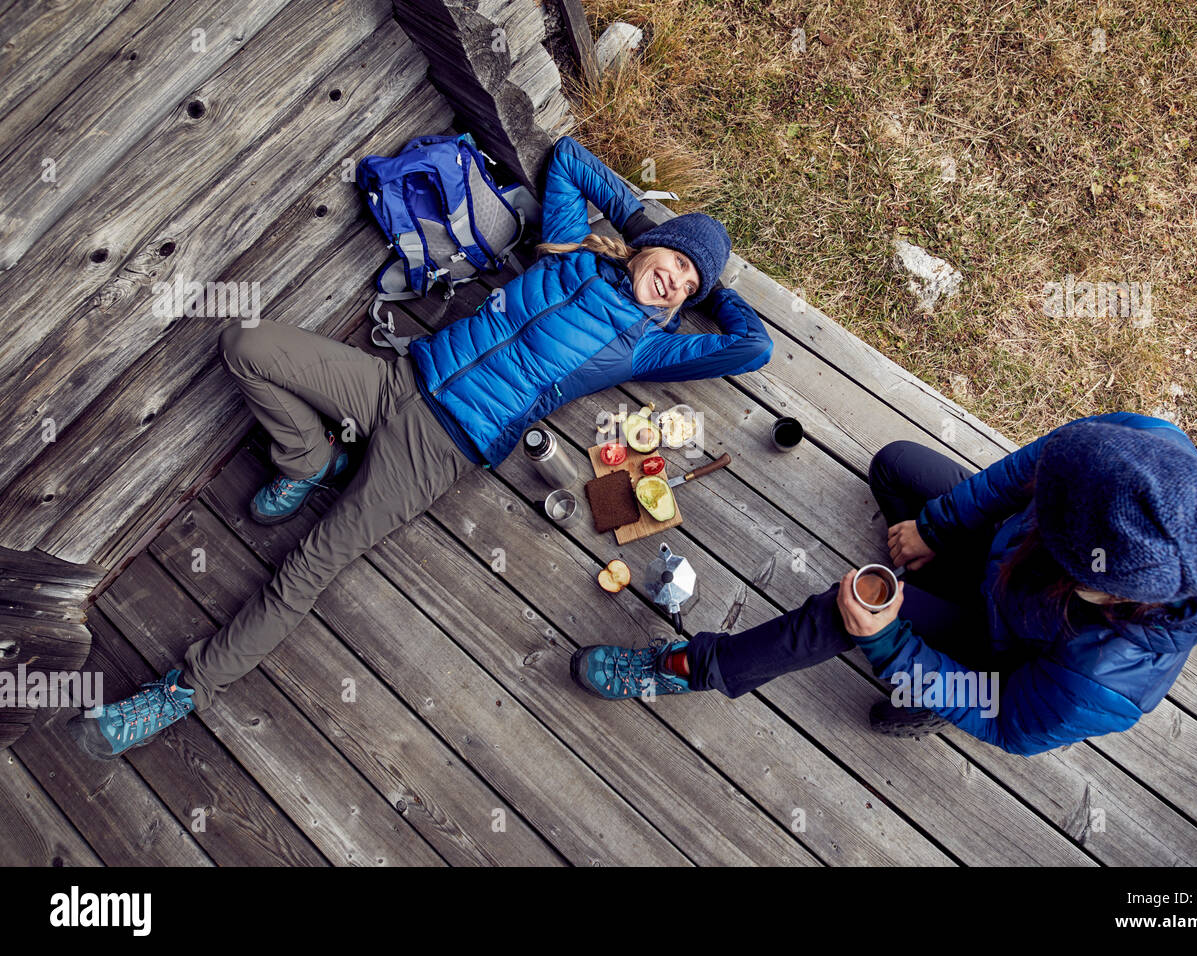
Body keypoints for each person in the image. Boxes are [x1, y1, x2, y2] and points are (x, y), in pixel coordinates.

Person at [74, 136, 774, 758]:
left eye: (689, 287)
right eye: (676, 261)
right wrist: (650, 233)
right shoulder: (567, 248)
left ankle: (181, 691)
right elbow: (567, 158)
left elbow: (753, 345)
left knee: (308, 565)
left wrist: (714, 288)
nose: (676, 282)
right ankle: (310, 461)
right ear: (651, 243)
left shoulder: (644, 347)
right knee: (247, 344)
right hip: (397, 380)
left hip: (443, 446)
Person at [571, 413, 1197, 757]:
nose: (1038, 512)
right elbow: (1024, 474)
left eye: (1051, 533)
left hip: (1000, 653)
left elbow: (1006, 719)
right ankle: (923, 594)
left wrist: (894, 644)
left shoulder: (1106, 679)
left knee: (844, 611)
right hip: (997, 572)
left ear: (1105, 591)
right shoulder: (1136, 450)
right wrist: (936, 528)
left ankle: (696, 667)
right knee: (895, 467)